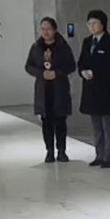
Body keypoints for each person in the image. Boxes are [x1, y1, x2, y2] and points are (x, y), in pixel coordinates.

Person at [25, 17, 76, 163]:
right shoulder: (36, 47)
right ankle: (49, 151)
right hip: (43, 89)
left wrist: (57, 73)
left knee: (60, 121)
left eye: (48, 29)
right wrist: (41, 73)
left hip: (59, 88)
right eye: (43, 29)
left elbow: (71, 66)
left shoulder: (63, 46)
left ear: (54, 30)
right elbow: (28, 66)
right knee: (46, 122)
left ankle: (62, 151)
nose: (45, 32)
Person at [78, 9, 110, 168]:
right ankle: (99, 154)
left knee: (107, 126)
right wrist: (83, 72)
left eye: (95, 23)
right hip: (90, 89)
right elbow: (81, 62)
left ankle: (109, 156)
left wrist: (97, 72)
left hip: (106, 89)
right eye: (89, 23)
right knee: (96, 127)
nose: (92, 26)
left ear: (103, 24)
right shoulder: (87, 42)